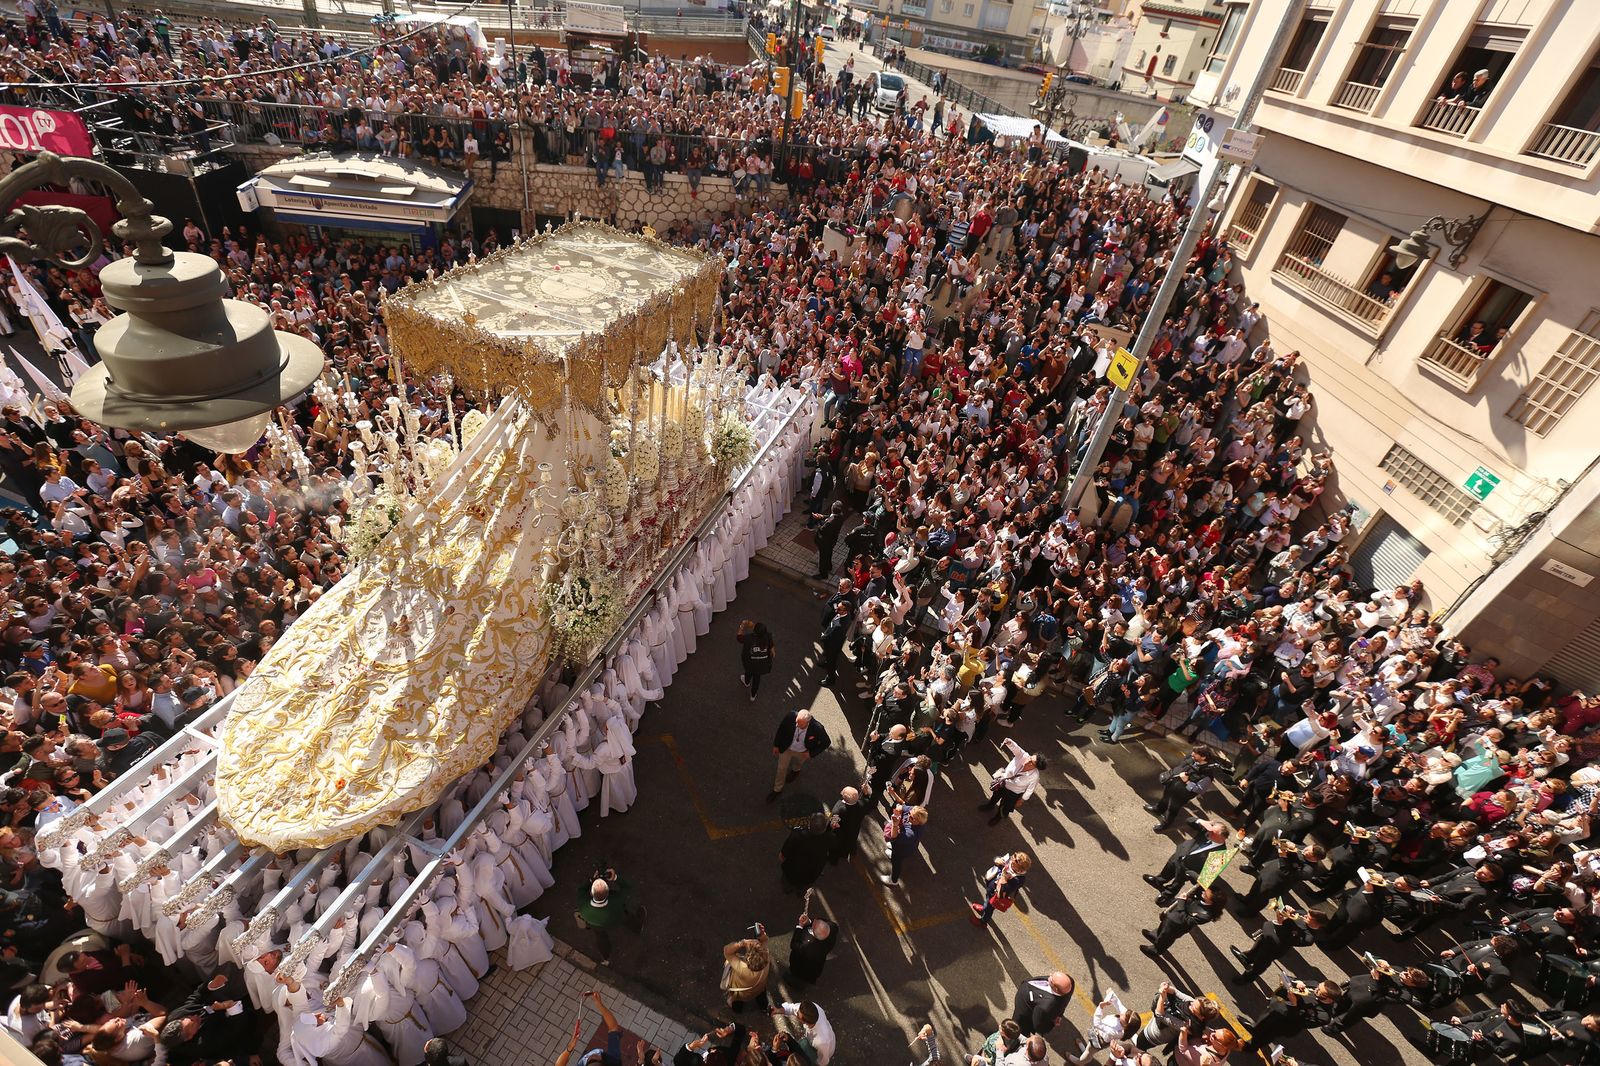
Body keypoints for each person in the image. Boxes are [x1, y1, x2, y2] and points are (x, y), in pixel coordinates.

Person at [574, 869, 646, 964]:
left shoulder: (583, 904)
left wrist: (591, 880)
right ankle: (638, 928)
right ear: (608, 892)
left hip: (597, 926)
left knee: (601, 939)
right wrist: (615, 877)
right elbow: (627, 887)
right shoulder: (617, 900)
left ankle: (606, 957)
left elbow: (581, 890)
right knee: (627, 918)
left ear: (591, 893)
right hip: (617, 918)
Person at [1140, 882, 1228, 956]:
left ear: (1211, 901)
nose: (1203, 892)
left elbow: (1186, 920)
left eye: (1206, 894)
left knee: (1166, 938)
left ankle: (1156, 949)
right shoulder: (1202, 896)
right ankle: (1156, 935)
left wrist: (1181, 902)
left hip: (1176, 927)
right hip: (1172, 917)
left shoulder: (1205, 915)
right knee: (1162, 928)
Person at [981, 739, 1045, 825]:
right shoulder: (1023, 756)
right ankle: (990, 806)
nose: (1028, 761)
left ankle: (997, 818)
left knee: (1004, 807)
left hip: (1013, 793)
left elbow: (1030, 790)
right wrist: (1009, 742)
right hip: (1003, 783)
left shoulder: (1035, 776)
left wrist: (1021, 800)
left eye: (1031, 763)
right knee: (995, 796)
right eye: (1030, 758)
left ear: (1035, 767)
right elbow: (1016, 748)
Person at [770, 709, 830, 799]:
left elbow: (826, 742)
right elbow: (781, 729)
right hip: (787, 748)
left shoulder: (818, 728)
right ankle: (777, 789)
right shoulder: (790, 716)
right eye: (796, 722)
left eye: (800, 725)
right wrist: (776, 745)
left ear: (808, 723)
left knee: (798, 763)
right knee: (781, 768)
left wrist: (811, 753)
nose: (797, 725)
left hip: (803, 752)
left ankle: (796, 770)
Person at [972, 851, 1031, 926]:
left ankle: (983, 921)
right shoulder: (1011, 861)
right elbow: (997, 859)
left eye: (1013, 864)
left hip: (995, 895)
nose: (1010, 863)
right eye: (1011, 860)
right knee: (987, 901)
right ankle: (984, 908)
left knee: (989, 907)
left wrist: (1004, 876)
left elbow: (1004, 889)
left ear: (1020, 870)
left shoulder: (1018, 880)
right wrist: (997, 860)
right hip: (991, 887)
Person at [1009, 972, 1075, 1037]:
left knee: (1016, 1029)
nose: (1050, 974)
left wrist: (1052, 1023)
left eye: (1051, 978)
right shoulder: (1070, 982)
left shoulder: (1045, 1007)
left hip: (1024, 1012)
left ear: (1055, 989)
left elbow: (1039, 1026)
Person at [772, 1000, 836, 1066]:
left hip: (825, 1050)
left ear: (804, 1022)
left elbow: (823, 1059)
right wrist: (777, 1010)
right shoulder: (811, 1010)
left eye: (798, 1015)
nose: (796, 1013)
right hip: (816, 1042)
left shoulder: (821, 1042)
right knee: (802, 1044)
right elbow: (793, 1008)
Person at [720, 928, 771, 1012]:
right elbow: (765, 940)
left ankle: (737, 1010)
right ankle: (764, 1007)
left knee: (737, 1001)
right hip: (760, 986)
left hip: (743, 994)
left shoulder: (743, 968)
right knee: (761, 995)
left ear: (748, 957)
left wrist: (742, 943)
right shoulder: (766, 958)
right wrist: (762, 934)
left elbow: (727, 951)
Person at [880, 803, 929, 886]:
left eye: (912, 818)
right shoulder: (913, 810)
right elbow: (901, 807)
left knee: (896, 863)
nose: (908, 816)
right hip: (903, 844)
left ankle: (894, 880)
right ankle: (892, 852)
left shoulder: (911, 833)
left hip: (902, 850)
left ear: (918, 822)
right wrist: (898, 811)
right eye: (909, 813)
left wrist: (895, 824)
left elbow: (894, 837)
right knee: (893, 848)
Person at [788, 909, 839, 985]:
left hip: (799, 967)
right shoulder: (832, 928)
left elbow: (794, 945)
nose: (813, 921)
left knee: (799, 973)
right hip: (815, 969)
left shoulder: (806, 947)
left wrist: (800, 926)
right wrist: (810, 922)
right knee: (811, 974)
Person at [827, 785, 870, 864]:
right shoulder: (862, 805)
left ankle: (833, 860)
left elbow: (833, 824)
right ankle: (845, 855)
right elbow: (867, 801)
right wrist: (866, 793)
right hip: (853, 832)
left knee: (836, 848)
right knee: (848, 845)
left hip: (841, 834)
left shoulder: (838, 809)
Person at [737, 620, 776, 701]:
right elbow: (772, 651)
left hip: (750, 662)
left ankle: (746, 682)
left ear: (755, 631)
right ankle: (753, 696)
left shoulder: (748, 638)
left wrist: (743, 625)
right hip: (762, 664)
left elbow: (739, 637)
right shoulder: (768, 636)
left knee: (748, 671)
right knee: (757, 678)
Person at [818, 600, 852, 687]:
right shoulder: (845, 615)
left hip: (832, 645)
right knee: (829, 659)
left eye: (839, 609)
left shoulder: (840, 625)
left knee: (831, 662)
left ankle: (830, 679)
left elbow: (831, 635)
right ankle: (826, 663)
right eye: (838, 607)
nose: (836, 610)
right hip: (834, 642)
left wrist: (823, 637)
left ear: (845, 611)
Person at [813, 501, 846, 578]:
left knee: (823, 556)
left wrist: (818, 521)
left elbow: (822, 530)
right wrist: (822, 517)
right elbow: (831, 516)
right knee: (829, 553)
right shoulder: (841, 516)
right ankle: (828, 566)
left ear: (832, 509)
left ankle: (823, 574)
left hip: (825, 542)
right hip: (832, 540)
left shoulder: (829, 523)